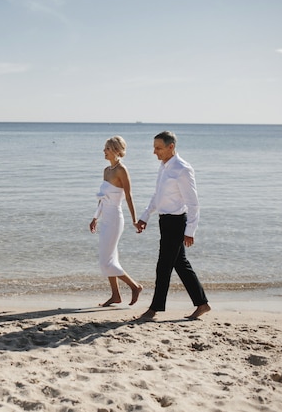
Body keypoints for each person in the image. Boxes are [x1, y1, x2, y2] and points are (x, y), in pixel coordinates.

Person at [135, 131, 211, 320]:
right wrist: (145, 216)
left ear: (171, 147)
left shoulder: (182, 169)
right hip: (165, 221)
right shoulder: (163, 167)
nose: (155, 152)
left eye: (158, 148)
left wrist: (190, 230)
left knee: (163, 266)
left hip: (177, 223)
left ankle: (154, 309)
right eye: (154, 147)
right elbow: (157, 196)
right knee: (181, 265)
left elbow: (193, 203)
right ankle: (202, 304)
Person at [90, 136, 143, 307]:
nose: (104, 151)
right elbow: (102, 198)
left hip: (114, 219)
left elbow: (128, 196)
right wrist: (95, 217)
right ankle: (115, 295)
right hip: (105, 218)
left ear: (115, 150)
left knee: (106, 260)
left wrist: (134, 219)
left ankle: (134, 286)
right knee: (109, 258)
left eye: (107, 148)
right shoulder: (106, 170)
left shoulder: (122, 170)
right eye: (104, 148)